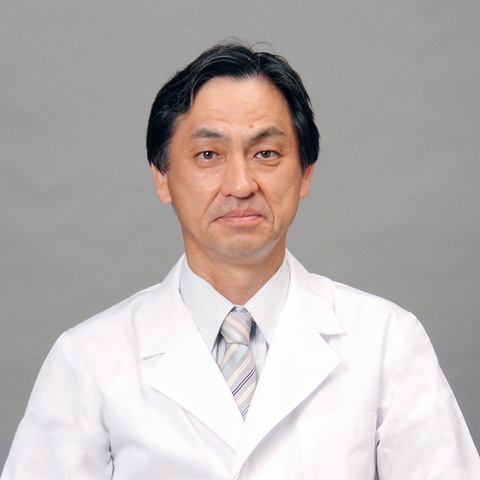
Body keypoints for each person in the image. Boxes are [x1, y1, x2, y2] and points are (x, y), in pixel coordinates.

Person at [2, 42, 479, 480]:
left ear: (305, 173)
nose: (240, 184)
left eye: (266, 153)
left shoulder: (387, 341)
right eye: (209, 154)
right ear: (162, 178)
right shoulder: (89, 359)